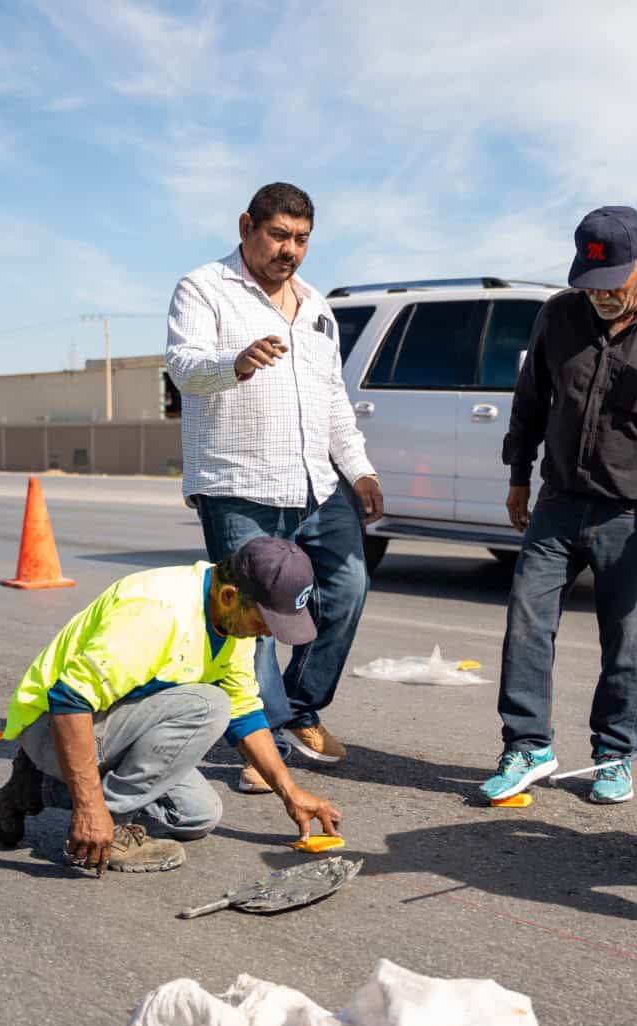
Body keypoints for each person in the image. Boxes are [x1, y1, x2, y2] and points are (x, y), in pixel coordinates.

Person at [481, 205, 637, 806]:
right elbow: (531, 399)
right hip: (558, 503)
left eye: (613, 285)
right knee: (527, 623)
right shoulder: (558, 317)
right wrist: (518, 476)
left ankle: (614, 753)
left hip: (633, 514)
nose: (601, 298)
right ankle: (527, 745)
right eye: (590, 286)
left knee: (625, 641)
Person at [165, 182, 383, 793]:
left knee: (347, 585)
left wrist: (360, 469)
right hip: (237, 481)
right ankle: (265, 743)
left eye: (302, 239)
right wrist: (233, 362)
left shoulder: (316, 306)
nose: (290, 250)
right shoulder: (203, 288)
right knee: (255, 614)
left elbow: (333, 400)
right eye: (279, 235)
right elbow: (183, 369)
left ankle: (300, 708)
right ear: (246, 226)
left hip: (316, 480)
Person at [0, 537, 342, 874]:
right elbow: (69, 700)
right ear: (231, 596)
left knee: (197, 816)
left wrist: (290, 793)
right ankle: (101, 827)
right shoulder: (158, 611)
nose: (265, 633)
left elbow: (245, 712)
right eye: (263, 622)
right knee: (208, 705)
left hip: (109, 726)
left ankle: (34, 787)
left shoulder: (234, 623)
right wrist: (91, 808)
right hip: (54, 726)